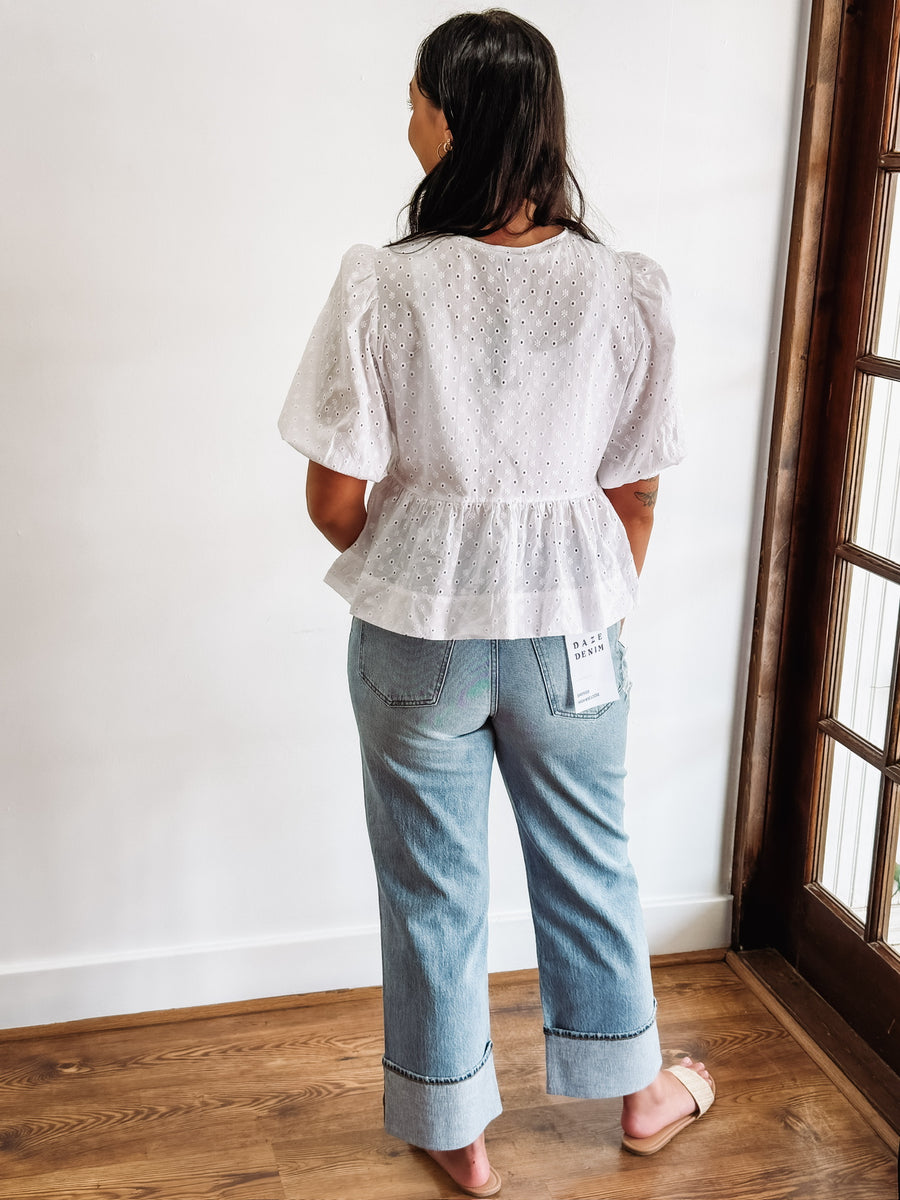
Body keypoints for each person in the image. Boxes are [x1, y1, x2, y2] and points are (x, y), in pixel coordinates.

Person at [278, 9, 714, 1196]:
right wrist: (590, 587)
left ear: (454, 118)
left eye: (415, 97)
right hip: (573, 631)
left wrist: (421, 558)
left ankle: (455, 1130)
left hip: (419, 638)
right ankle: (640, 1093)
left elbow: (332, 497)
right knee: (591, 859)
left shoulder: (384, 282)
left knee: (430, 880)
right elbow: (637, 490)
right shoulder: (622, 287)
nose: (405, 118)